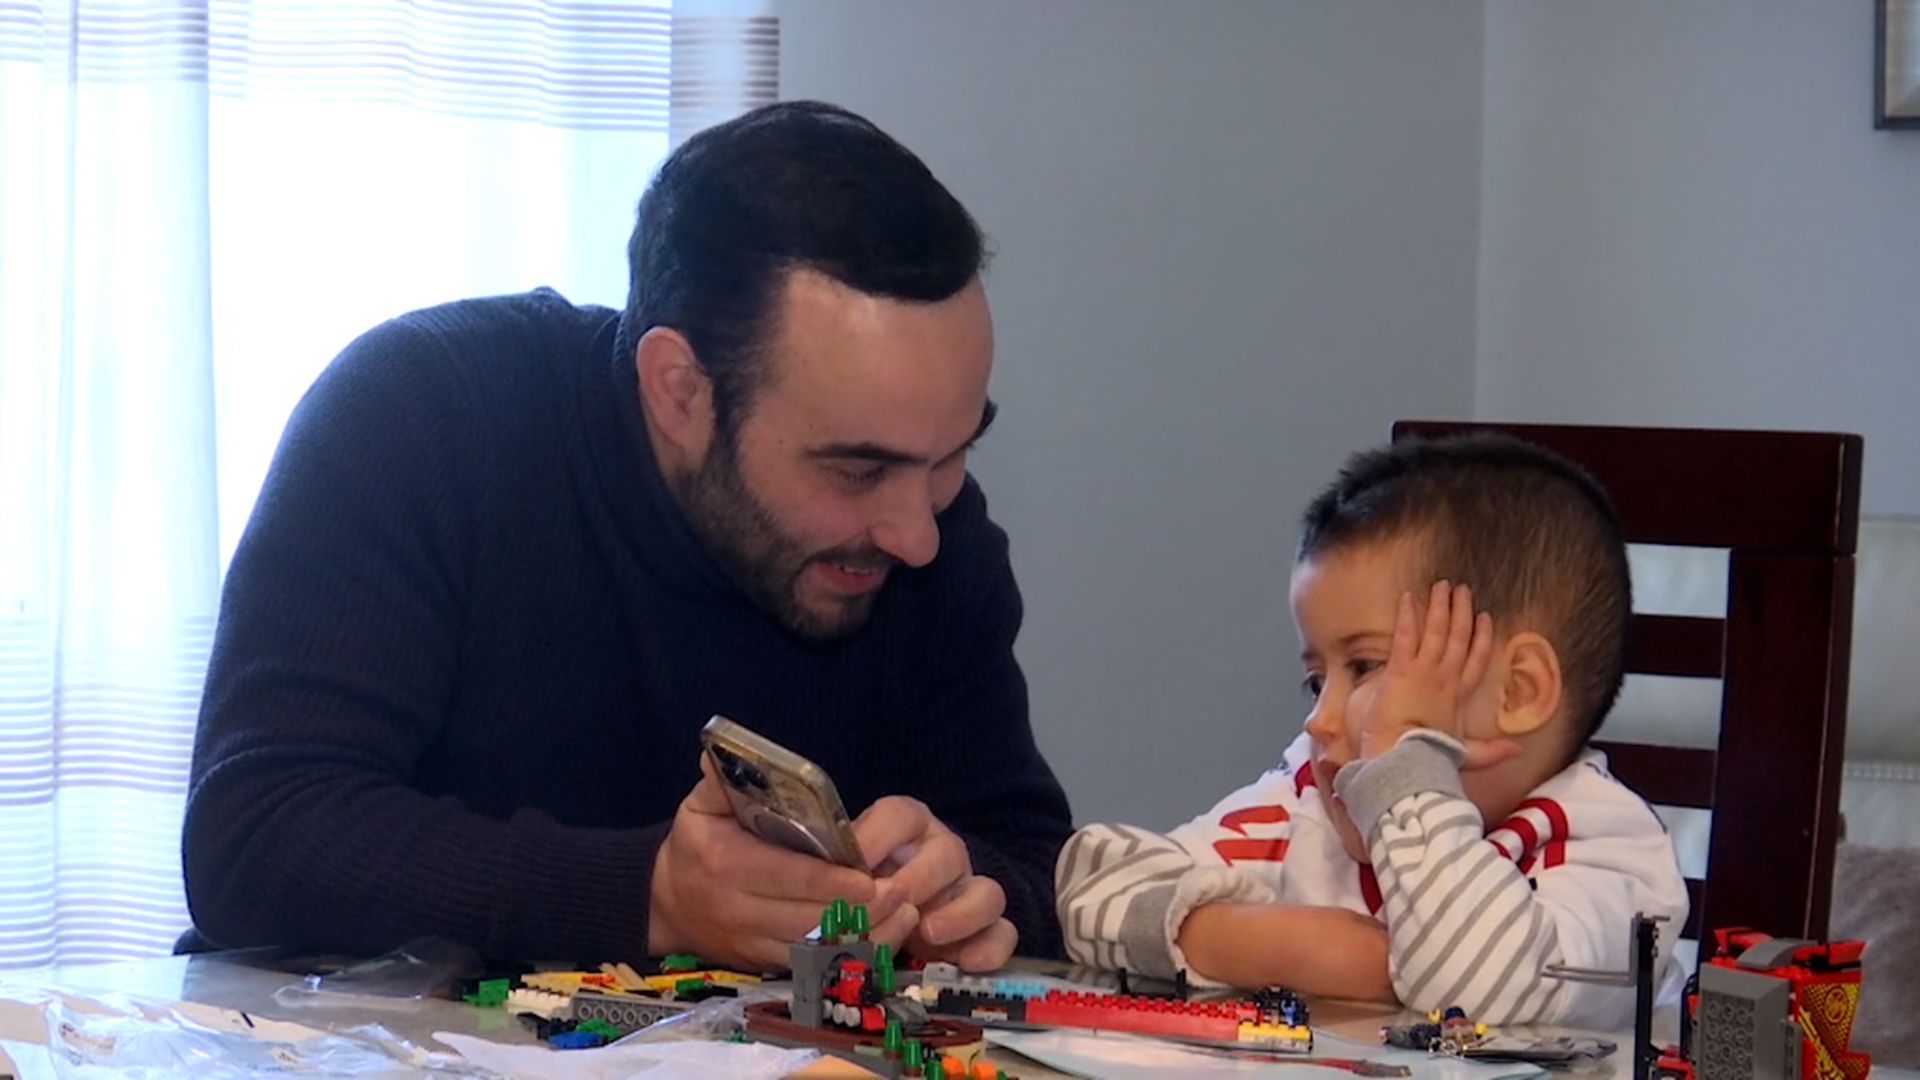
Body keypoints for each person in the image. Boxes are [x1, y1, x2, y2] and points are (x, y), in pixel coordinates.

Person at [180, 100, 1072, 973]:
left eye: (953, 453)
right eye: (854, 470)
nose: (918, 534)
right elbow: (256, 831)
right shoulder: (424, 418)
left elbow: (1042, 865)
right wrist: (650, 896)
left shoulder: (933, 530)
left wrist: (964, 891)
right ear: (679, 390)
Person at [1055, 434, 1688, 1026]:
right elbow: (1092, 887)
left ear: (1518, 692)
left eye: (1365, 667)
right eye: (1315, 679)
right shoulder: (1308, 803)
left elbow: (1474, 984)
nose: (1318, 718)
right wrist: (1292, 945)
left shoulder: (1613, 853)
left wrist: (1406, 779)